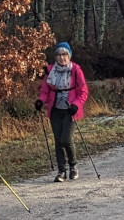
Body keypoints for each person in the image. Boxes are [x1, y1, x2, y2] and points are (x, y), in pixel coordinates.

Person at [36, 42, 89, 182]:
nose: (61, 57)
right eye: (59, 54)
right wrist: (41, 101)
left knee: (66, 139)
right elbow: (45, 90)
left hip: (70, 111)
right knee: (58, 141)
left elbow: (83, 92)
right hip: (55, 110)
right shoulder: (50, 71)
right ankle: (61, 171)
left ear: (69, 56)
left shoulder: (76, 70)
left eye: (64, 54)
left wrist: (76, 105)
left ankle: (73, 166)